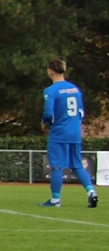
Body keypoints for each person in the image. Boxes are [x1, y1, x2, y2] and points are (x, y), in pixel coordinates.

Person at [40, 59, 98, 208]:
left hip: (59, 133)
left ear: (51, 71)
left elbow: (48, 113)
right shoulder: (74, 89)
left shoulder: (50, 90)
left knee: (56, 166)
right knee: (77, 165)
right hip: (75, 132)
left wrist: (45, 122)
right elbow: (81, 112)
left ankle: (55, 200)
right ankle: (91, 192)